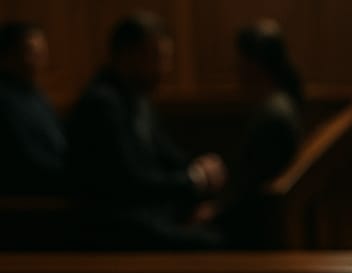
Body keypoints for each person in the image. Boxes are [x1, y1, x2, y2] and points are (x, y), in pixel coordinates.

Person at [66, 11, 226, 249]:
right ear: (126, 56)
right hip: (116, 226)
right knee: (216, 243)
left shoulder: (135, 98)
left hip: (147, 214)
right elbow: (128, 183)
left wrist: (200, 171)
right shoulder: (102, 103)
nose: (165, 69)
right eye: (157, 58)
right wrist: (195, 180)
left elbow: (166, 154)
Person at [217, 19, 303, 248]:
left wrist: (215, 212)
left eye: (239, 59)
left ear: (253, 64)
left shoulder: (274, 115)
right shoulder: (277, 104)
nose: (235, 67)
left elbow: (252, 193)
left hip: (252, 229)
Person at [0, 22, 65, 195]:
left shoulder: (36, 96)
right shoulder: (5, 100)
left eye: (41, 53)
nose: (38, 61)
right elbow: (24, 159)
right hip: (24, 195)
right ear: (8, 55)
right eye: (30, 52)